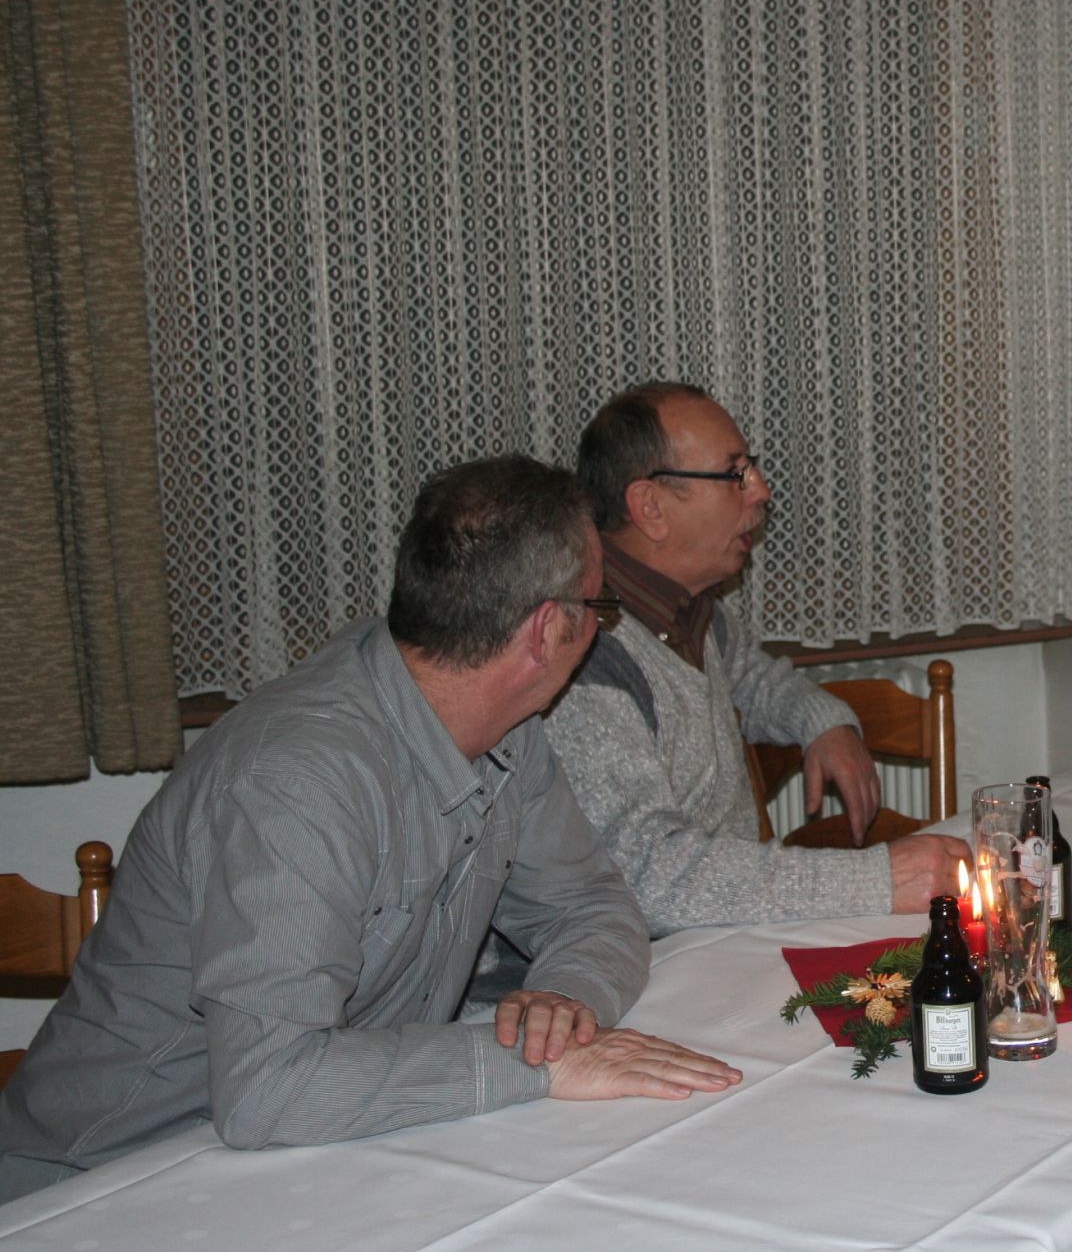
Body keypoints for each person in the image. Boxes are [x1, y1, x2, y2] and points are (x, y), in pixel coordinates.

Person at [0, 456, 742, 1205]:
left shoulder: (506, 732)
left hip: (328, 1149)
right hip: (103, 1187)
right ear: (548, 630)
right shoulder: (296, 781)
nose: (599, 626)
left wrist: (562, 1001)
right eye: (599, 606)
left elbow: (595, 906)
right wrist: (535, 1064)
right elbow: (269, 1090)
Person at [534, 381, 966, 937]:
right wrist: (879, 879)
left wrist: (824, 722)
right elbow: (648, 879)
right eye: (735, 473)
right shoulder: (581, 657)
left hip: (727, 939)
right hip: (649, 967)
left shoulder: (694, 611)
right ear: (650, 507)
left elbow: (758, 682)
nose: (762, 489)